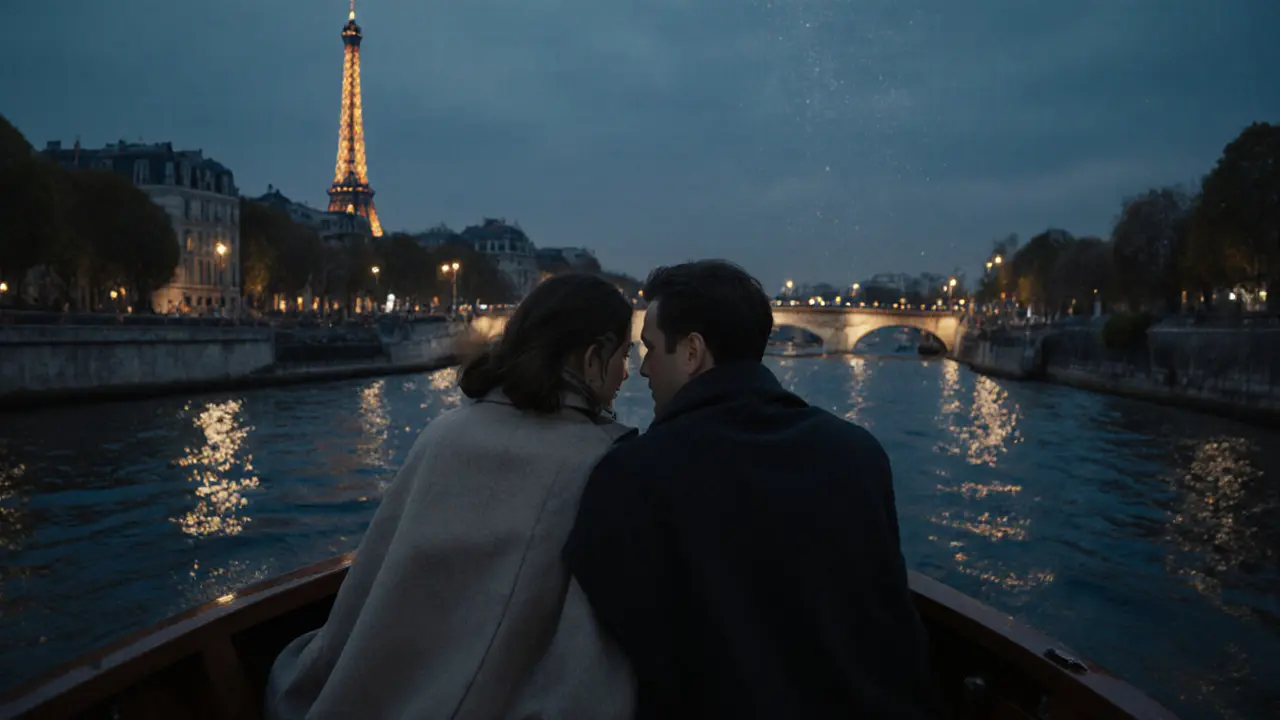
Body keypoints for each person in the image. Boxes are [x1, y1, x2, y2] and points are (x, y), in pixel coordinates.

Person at [564, 260, 940, 719]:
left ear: (691, 352)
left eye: (650, 348)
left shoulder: (632, 475)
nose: (643, 369)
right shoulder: (858, 454)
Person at [266, 273, 638, 720]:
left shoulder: (441, 433)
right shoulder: (600, 462)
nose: (627, 373)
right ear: (594, 357)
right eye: (625, 355)